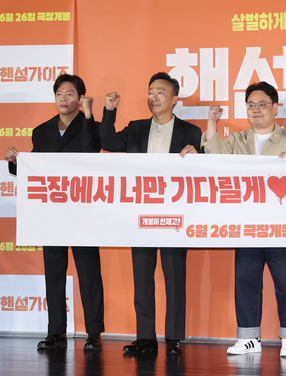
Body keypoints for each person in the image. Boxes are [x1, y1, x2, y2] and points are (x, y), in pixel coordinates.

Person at [198, 81, 286, 357]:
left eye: (262, 104)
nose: (256, 110)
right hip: (245, 223)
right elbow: (215, 160)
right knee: (246, 279)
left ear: (275, 107)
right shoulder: (237, 140)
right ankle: (249, 338)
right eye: (251, 105)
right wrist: (212, 122)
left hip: (282, 224)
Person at [100, 72, 201, 355]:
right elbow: (107, 142)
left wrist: (199, 155)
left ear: (174, 99)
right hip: (141, 214)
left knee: (174, 278)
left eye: (160, 92)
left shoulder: (191, 132)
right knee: (142, 278)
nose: (153, 98)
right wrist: (109, 111)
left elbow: (206, 170)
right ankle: (145, 337)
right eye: (150, 92)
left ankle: (173, 338)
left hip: (175, 215)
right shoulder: (135, 128)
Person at [4, 74, 105, 351]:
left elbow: (91, 150)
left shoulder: (91, 127)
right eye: (60, 93)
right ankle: (56, 331)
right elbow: (34, 168)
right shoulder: (42, 130)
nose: (64, 99)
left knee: (89, 272)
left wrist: (88, 116)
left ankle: (94, 332)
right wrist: (15, 163)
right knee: (54, 272)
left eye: (70, 93)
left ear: (81, 97)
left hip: (83, 211)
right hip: (51, 213)